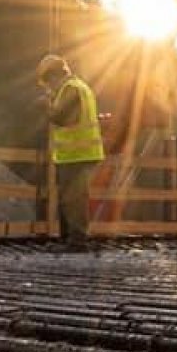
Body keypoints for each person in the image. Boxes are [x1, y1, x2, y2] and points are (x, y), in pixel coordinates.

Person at [38, 54, 104, 252]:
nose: (49, 87)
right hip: (78, 154)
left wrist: (46, 106)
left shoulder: (71, 90)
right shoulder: (80, 87)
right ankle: (69, 239)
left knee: (73, 199)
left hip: (78, 154)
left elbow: (62, 118)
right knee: (70, 198)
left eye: (48, 82)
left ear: (54, 76)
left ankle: (77, 242)